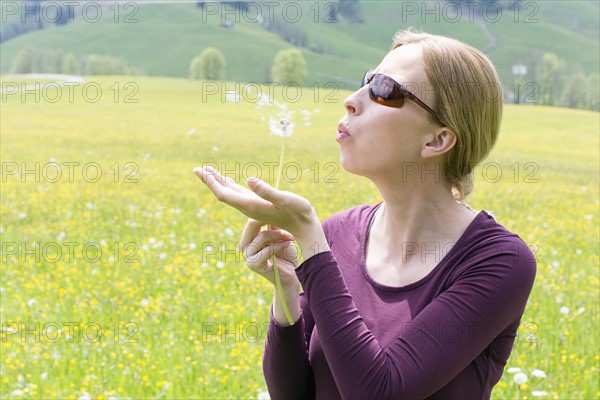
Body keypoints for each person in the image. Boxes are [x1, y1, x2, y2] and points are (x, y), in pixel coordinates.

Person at [194, 28, 536, 399]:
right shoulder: (338, 233)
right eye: (366, 81)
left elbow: (380, 391)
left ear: (437, 140)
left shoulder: (499, 261)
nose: (351, 101)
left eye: (385, 90)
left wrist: (310, 240)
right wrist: (287, 289)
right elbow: (293, 393)